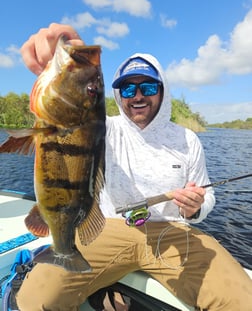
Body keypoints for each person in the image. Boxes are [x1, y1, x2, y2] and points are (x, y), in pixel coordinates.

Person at [17, 23, 252, 311]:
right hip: (109, 229)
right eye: (128, 88)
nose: (137, 95)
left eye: (148, 86)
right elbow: (73, 115)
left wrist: (194, 207)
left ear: (162, 91)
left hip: (174, 232)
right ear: (118, 95)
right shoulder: (104, 129)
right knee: (35, 299)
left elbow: (208, 197)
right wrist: (73, 50)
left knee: (243, 301)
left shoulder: (188, 139)